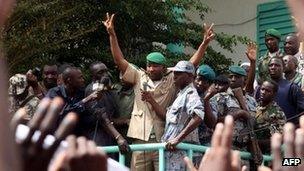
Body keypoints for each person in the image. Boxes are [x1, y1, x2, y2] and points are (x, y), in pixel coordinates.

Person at [103, 12, 215, 171]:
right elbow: (119, 60)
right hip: (140, 140)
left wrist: (204, 44)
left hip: (162, 139)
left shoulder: (172, 77)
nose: (151, 69)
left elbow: (190, 65)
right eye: (149, 65)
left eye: (155, 66)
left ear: (164, 67)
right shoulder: (139, 76)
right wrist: (112, 35)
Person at [142, 61, 205, 170]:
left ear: (190, 76)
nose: (175, 76)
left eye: (179, 73)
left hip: (182, 155)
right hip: (172, 155)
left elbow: (198, 116)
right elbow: (167, 117)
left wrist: (178, 139)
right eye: (174, 73)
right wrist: (151, 100)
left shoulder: (190, 93)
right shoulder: (181, 94)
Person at [81, 62, 130, 154]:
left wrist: (125, 121)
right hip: (99, 139)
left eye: (106, 71)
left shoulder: (106, 90)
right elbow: (101, 117)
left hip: (109, 137)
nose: (105, 75)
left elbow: (110, 117)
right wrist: (118, 137)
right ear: (93, 75)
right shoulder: (93, 90)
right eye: (101, 72)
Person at [260, 57, 304, 125]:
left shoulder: (292, 88)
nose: (273, 67)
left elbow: (302, 112)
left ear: (283, 68)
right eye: (270, 65)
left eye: (277, 65)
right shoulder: (260, 88)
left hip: (286, 130)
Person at [255, 80, 286, 154]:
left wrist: (257, 143)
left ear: (274, 94)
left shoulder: (277, 113)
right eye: (262, 89)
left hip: (267, 154)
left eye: (268, 91)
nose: (263, 92)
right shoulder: (254, 105)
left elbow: (279, 138)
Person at [194, 65, 218, 145]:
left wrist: (206, 100)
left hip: (202, 145)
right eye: (199, 79)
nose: (200, 83)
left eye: (205, 81)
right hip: (185, 142)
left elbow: (211, 123)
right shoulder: (187, 93)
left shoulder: (212, 99)